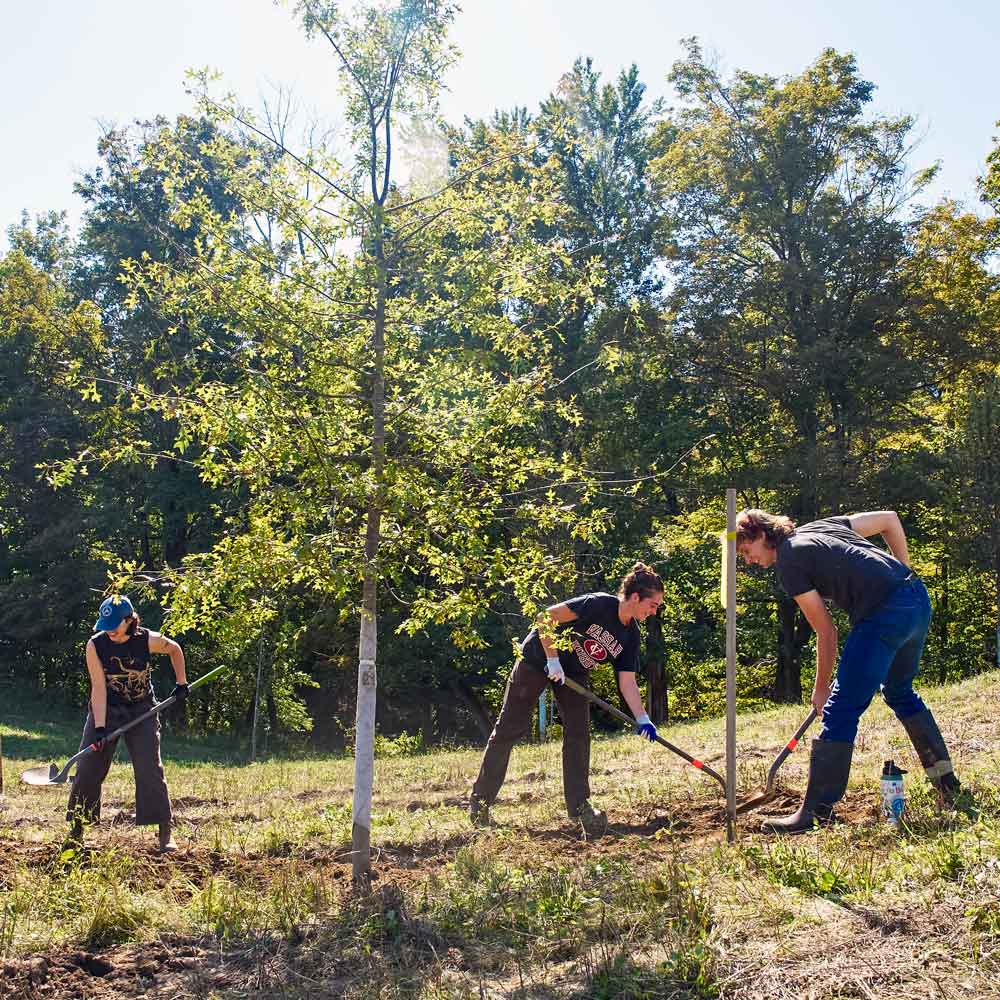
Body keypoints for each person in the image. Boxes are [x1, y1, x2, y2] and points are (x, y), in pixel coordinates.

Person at [736, 509, 962, 833]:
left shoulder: (789, 561)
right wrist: (904, 571)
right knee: (899, 692)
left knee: (839, 709)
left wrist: (821, 688)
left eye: (746, 551)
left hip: (884, 614)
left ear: (760, 534)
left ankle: (814, 812)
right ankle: (947, 784)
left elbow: (827, 631)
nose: (748, 561)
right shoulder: (820, 526)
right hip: (916, 599)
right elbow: (890, 519)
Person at [469, 563, 664, 834]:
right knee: (509, 729)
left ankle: (580, 807)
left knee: (578, 734)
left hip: (574, 674)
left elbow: (627, 681)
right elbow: (545, 618)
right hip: (538, 660)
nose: (654, 611)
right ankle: (480, 802)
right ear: (635, 597)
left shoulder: (630, 636)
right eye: (653, 604)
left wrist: (642, 718)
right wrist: (552, 660)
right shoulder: (598, 605)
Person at [66, 595, 188, 853]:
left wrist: (181, 683)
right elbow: (98, 688)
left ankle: (165, 830)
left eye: (114, 624)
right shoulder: (95, 645)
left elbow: (174, 648)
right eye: (105, 623)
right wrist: (100, 728)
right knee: (88, 766)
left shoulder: (147, 639)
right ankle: (77, 828)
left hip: (141, 708)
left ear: (129, 620)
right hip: (108, 709)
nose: (109, 629)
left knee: (149, 767)